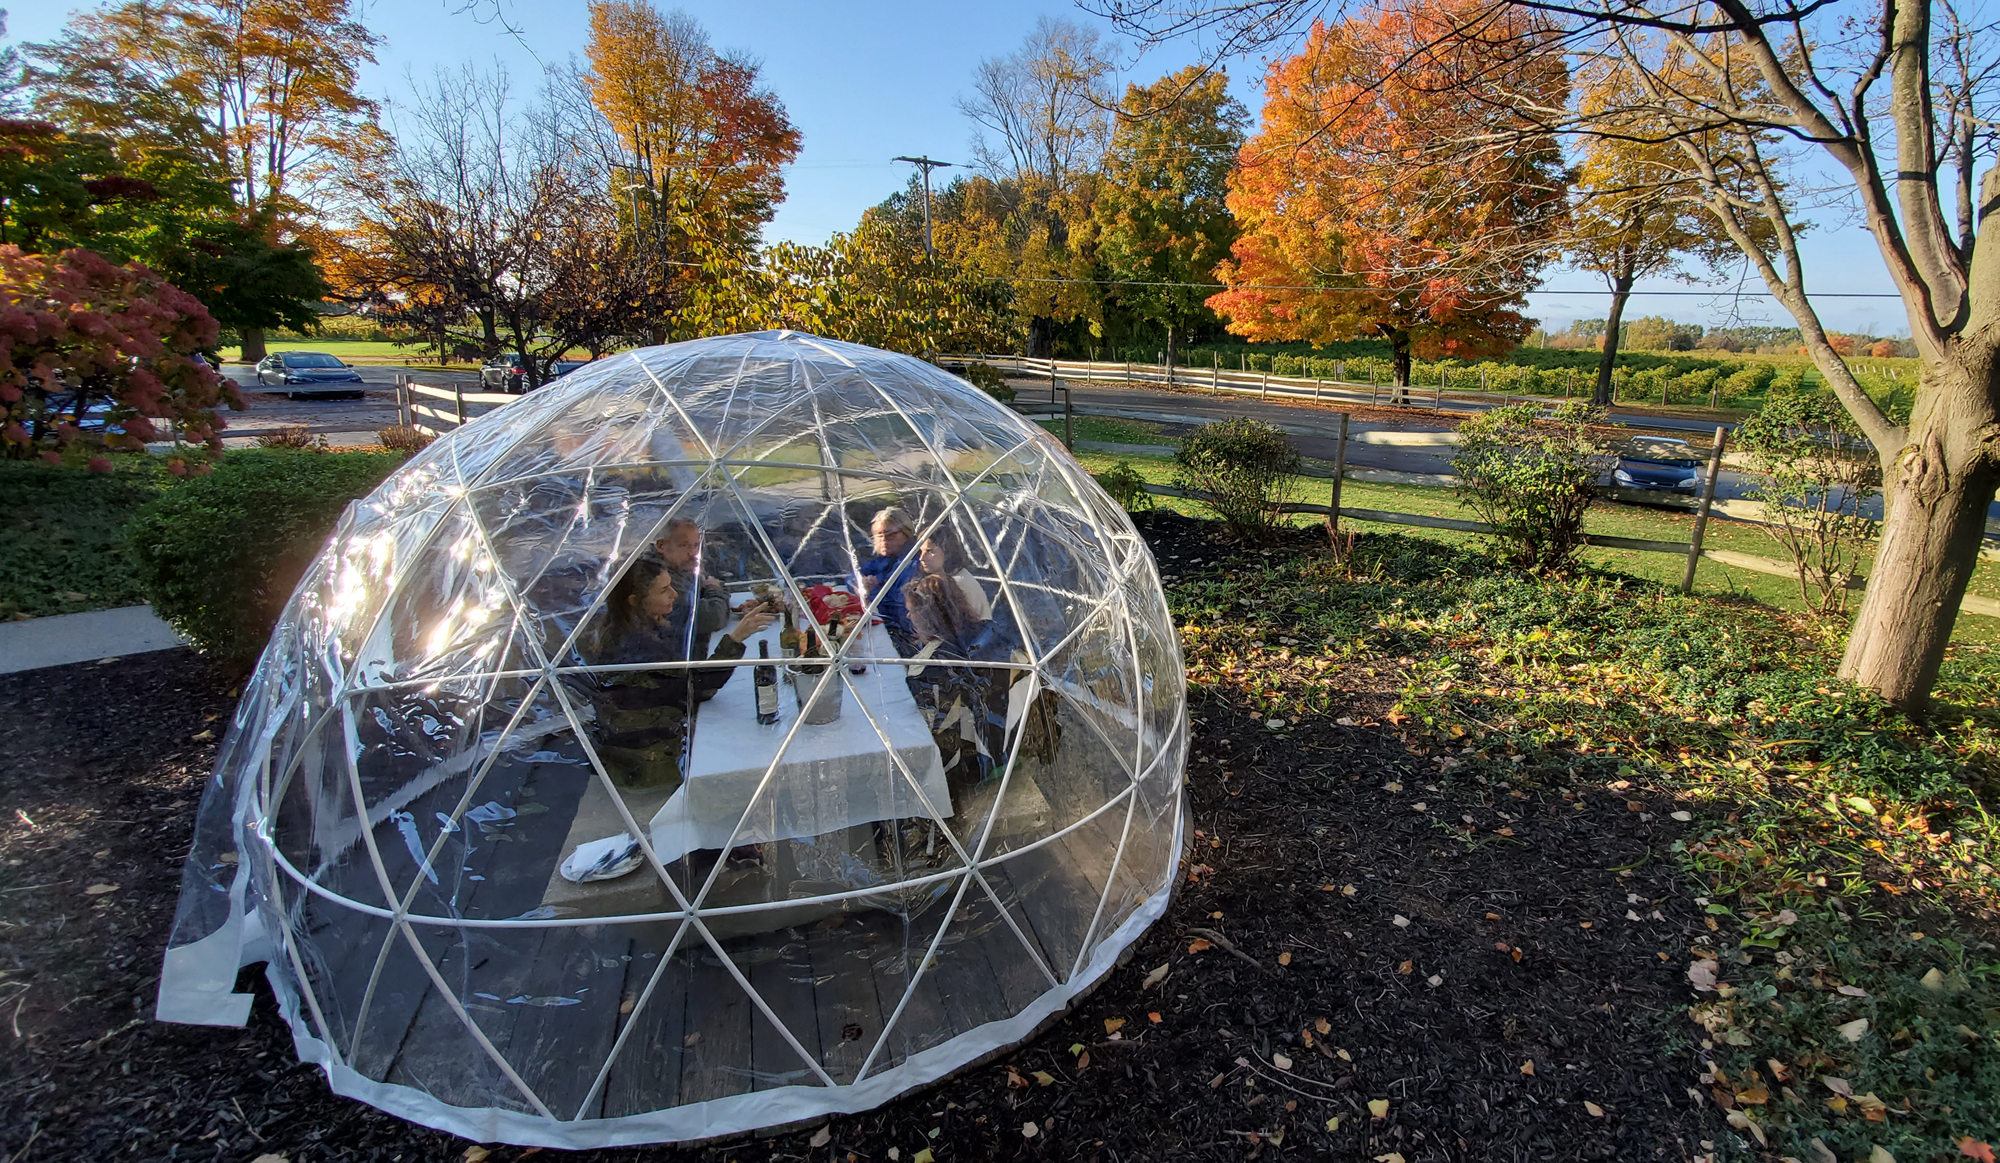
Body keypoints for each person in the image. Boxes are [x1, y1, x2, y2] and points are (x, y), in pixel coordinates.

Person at [586, 555, 775, 790]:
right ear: (635, 601)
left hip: (653, 738)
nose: (674, 595)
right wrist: (736, 638)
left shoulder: (642, 626)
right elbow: (697, 688)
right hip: (647, 761)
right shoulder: (634, 647)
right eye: (664, 590)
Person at [653, 517, 728, 643]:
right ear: (661, 545)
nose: (692, 552)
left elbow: (713, 584)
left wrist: (715, 592)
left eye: (696, 545)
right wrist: (714, 590)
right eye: (684, 545)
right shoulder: (657, 576)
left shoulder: (681, 566)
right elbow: (712, 617)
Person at [857, 507, 918, 645]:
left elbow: (898, 606)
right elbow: (856, 575)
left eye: (890, 535)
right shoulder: (887, 558)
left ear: (906, 533)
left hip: (904, 635)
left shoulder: (913, 563)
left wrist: (873, 590)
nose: (884, 541)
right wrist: (863, 582)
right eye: (879, 535)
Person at [916, 528, 992, 622]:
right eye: (921, 551)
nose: (921, 558)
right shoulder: (952, 579)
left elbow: (959, 626)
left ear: (947, 551)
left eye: (930, 551)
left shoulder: (958, 583)